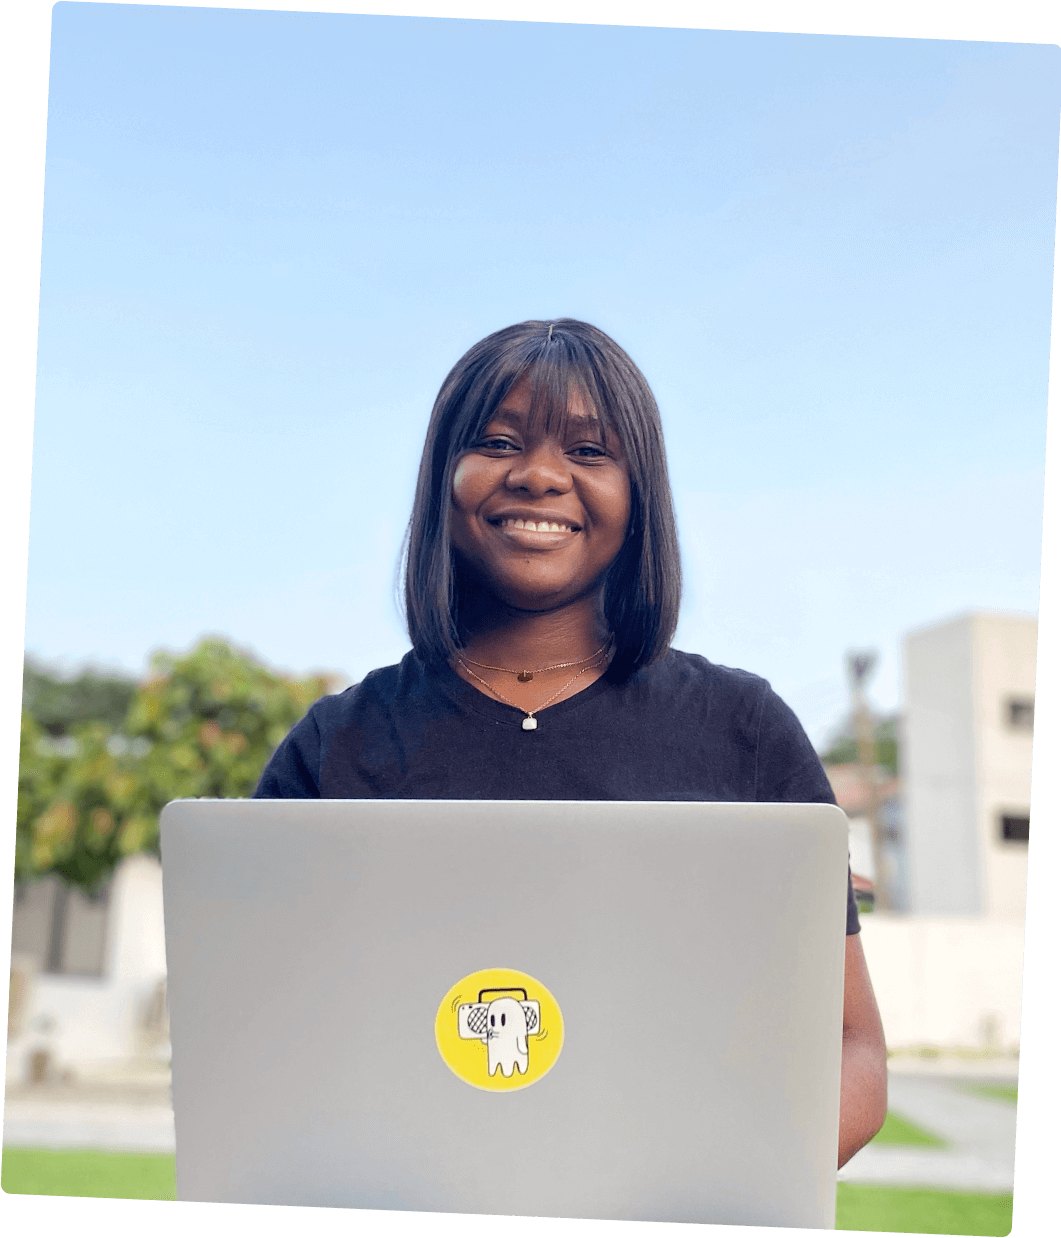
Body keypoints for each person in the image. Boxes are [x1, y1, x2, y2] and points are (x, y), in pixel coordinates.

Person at [254, 317, 887, 1168]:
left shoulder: (743, 730)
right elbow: (254, 1037)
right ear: (443, 478)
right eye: (497, 441)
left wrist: (704, 1190)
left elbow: (851, 1049)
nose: (540, 475)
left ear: (640, 494)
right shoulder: (336, 745)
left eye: (590, 451)